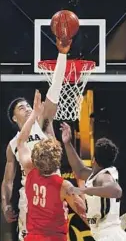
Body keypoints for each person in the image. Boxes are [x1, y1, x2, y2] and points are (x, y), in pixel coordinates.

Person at [1, 38, 72, 241]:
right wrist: (5, 204)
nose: (28, 108)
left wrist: (62, 54)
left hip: (54, 189)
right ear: (15, 118)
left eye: (28, 105)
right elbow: (7, 181)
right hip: (31, 196)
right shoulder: (13, 144)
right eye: (21, 107)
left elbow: (55, 91)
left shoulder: (41, 122)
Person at [16, 90, 86, 241]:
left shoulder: (30, 172)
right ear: (57, 160)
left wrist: (34, 114)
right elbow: (83, 212)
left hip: (32, 237)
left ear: (35, 159)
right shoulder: (64, 186)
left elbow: (21, 141)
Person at [60, 122, 126, 241]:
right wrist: (67, 143)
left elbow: (117, 191)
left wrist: (82, 189)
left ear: (93, 159)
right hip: (109, 234)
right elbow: (79, 170)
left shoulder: (103, 177)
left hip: (109, 236)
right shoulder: (98, 174)